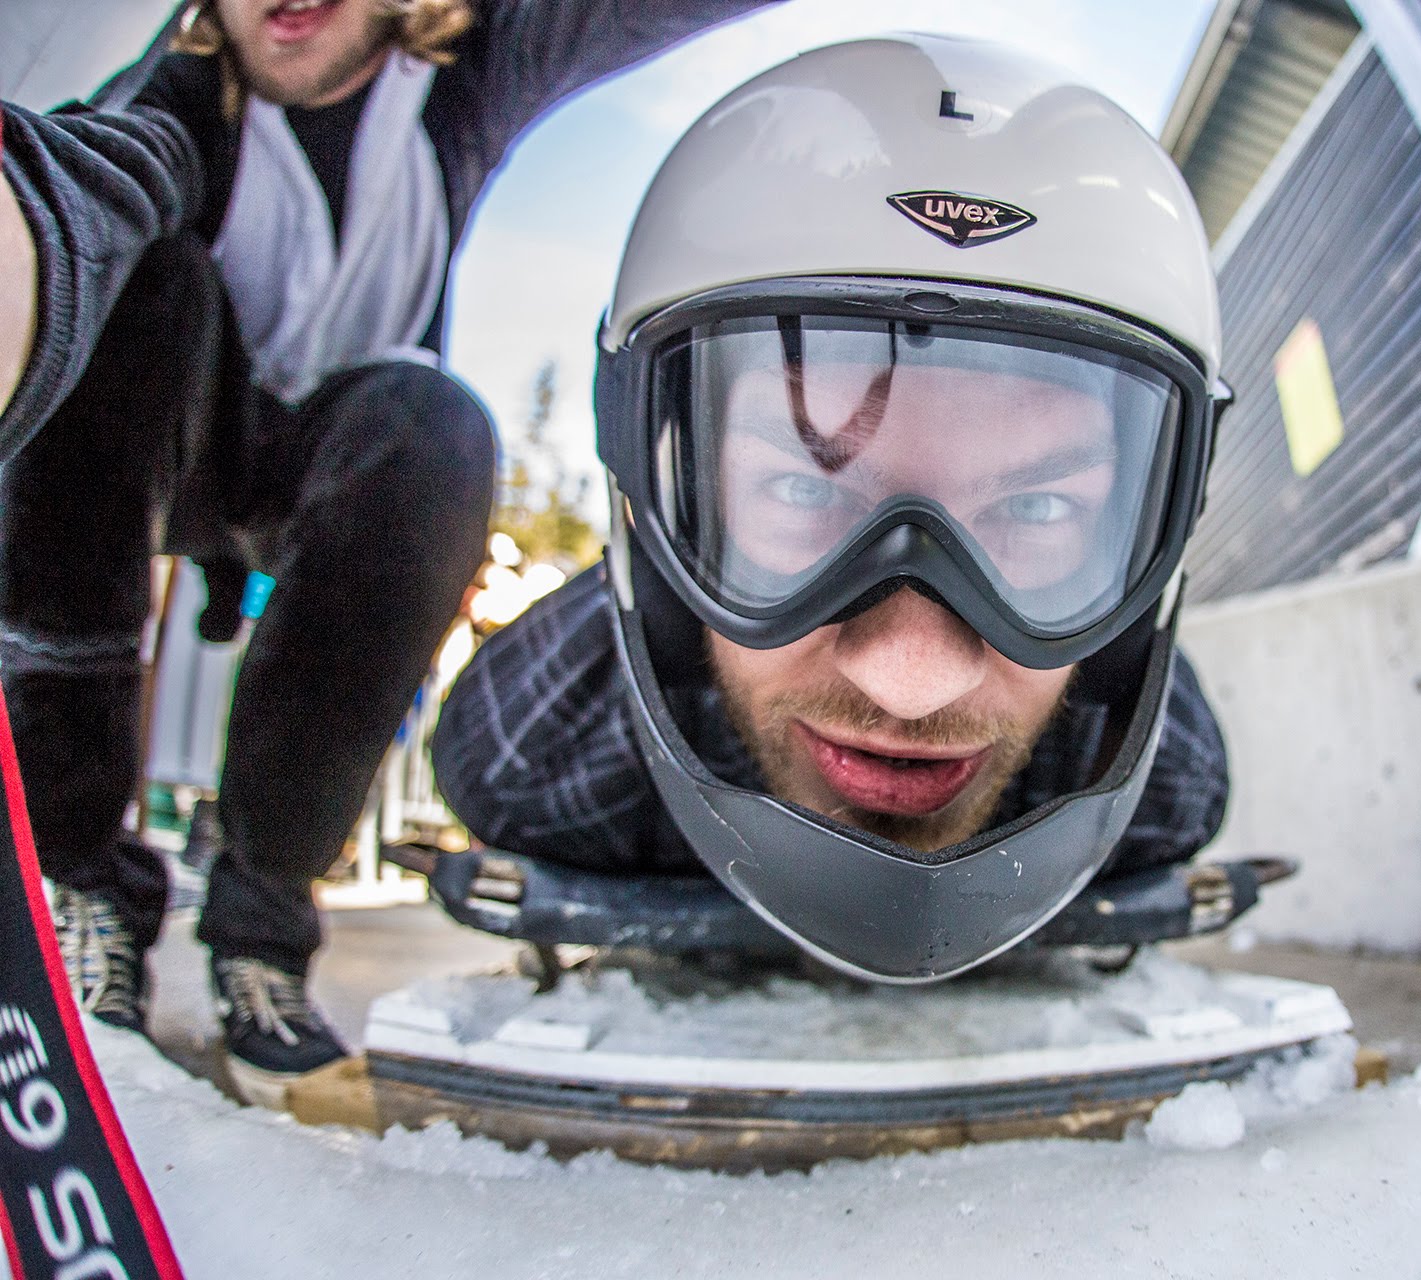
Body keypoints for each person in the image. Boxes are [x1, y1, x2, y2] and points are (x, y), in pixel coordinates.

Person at [0, 0, 774, 1107]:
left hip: (345, 468)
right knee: (147, 284)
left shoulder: (467, 79)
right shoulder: (178, 93)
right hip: (158, 436)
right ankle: (69, 875)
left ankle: (261, 927)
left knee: (436, 421)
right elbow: (94, 180)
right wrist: (25, 226)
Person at [430, 33, 1235, 983]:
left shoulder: (1166, 781)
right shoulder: (533, 760)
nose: (911, 683)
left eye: (1042, 510)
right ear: (652, 532)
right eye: (805, 489)